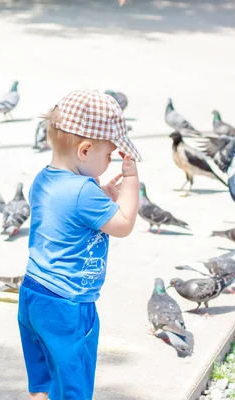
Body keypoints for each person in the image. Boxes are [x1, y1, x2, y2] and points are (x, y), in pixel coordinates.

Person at [17, 89, 142, 400]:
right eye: (110, 154)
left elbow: (68, 212)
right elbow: (124, 224)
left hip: (34, 295)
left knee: (44, 383)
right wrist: (131, 178)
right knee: (73, 390)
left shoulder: (43, 179)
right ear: (85, 150)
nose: (112, 159)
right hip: (67, 305)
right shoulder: (84, 194)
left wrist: (103, 195)